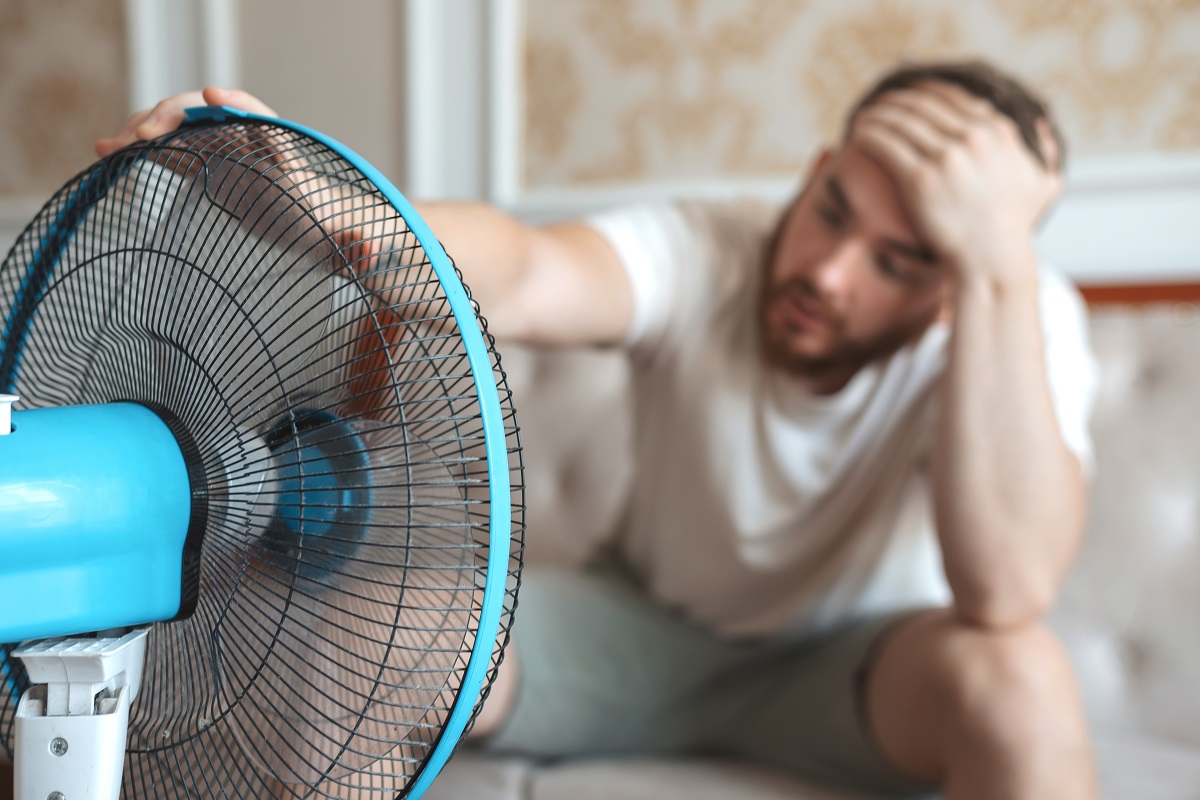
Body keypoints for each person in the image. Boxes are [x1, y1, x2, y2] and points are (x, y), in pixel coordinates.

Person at [100, 59, 1099, 799]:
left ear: (958, 281)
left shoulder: (1015, 309)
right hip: (638, 634)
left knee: (1020, 681)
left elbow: (1008, 589)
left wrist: (997, 264)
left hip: (867, 672)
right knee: (364, 633)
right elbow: (527, 269)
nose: (830, 272)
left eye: (901, 260)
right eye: (832, 208)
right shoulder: (709, 249)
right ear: (816, 167)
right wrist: (328, 208)